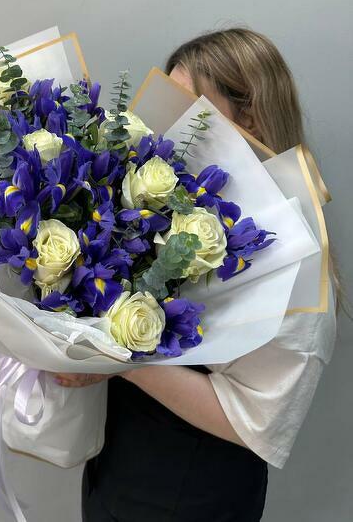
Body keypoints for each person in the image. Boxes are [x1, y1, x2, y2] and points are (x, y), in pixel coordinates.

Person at [54, 28, 338, 522]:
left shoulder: (291, 241)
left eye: (188, 103)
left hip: (194, 490)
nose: (171, 119)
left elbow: (253, 421)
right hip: (119, 463)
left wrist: (118, 357)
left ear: (247, 111)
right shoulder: (167, 201)